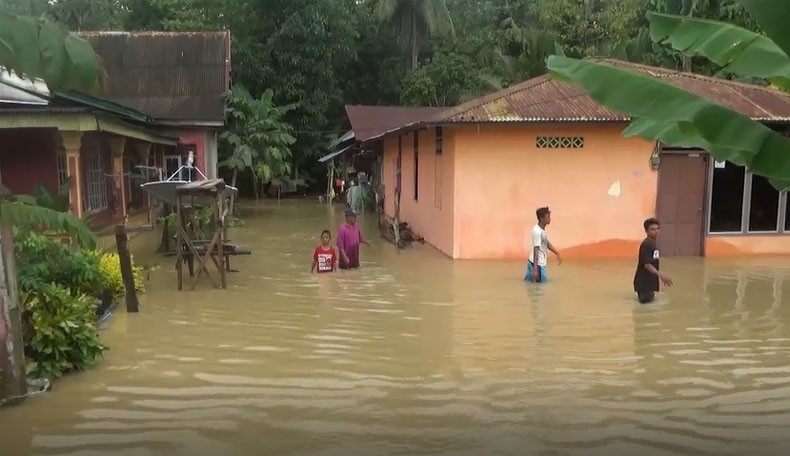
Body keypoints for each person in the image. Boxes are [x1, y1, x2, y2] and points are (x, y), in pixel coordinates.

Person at [633, 217, 673, 304]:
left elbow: (653, 262)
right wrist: (661, 275)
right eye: (652, 229)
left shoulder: (652, 243)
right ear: (646, 231)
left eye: (657, 229)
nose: (656, 231)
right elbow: (647, 264)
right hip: (644, 284)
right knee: (646, 307)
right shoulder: (646, 244)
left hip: (649, 283)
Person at [525, 206, 561, 283]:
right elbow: (536, 249)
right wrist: (535, 270)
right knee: (540, 287)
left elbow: (546, 243)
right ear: (542, 219)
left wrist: (557, 253)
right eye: (548, 217)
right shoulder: (537, 231)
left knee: (531, 285)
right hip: (538, 265)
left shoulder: (541, 230)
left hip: (534, 263)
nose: (550, 219)